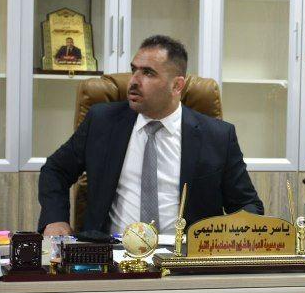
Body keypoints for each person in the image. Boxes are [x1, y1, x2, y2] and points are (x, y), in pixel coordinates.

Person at [38, 35, 264, 236]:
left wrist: (228, 239)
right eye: (134, 70)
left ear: (177, 86)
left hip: (184, 257)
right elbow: (55, 170)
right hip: (113, 252)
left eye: (147, 73)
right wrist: (55, 219)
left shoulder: (217, 136)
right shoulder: (102, 122)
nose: (134, 81)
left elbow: (247, 204)